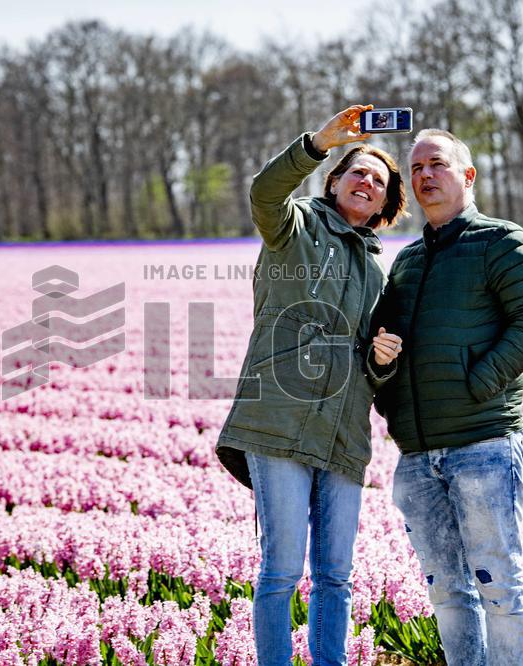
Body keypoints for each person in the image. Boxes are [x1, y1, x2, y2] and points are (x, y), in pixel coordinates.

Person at [215, 104, 407, 666]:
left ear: (386, 203)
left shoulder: (378, 271)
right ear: (336, 179)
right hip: (277, 423)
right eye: (358, 171)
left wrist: (382, 359)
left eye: (379, 180)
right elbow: (263, 194)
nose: (367, 182)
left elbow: (375, 366)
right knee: (280, 570)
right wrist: (319, 142)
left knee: (335, 576)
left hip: (344, 437)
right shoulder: (294, 228)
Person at [370, 129, 523, 665]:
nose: (425, 176)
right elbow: (389, 347)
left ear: (467, 176)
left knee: (500, 585)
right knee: (448, 594)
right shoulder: (405, 262)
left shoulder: (502, 241)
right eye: (416, 169)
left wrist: (479, 384)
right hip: (416, 454)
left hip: (483, 444)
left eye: (438, 164)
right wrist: (390, 399)